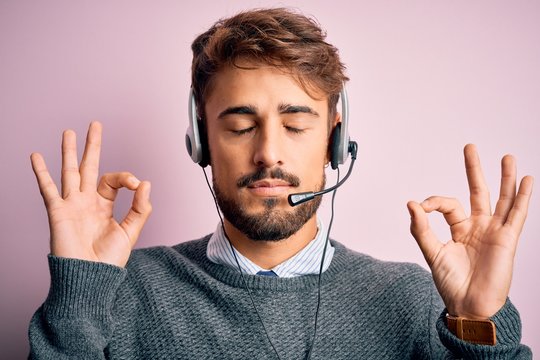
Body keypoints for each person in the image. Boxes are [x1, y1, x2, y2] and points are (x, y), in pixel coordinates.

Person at [28, 7, 533, 359]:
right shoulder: (123, 290)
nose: (268, 152)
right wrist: (80, 293)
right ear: (200, 143)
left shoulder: (415, 299)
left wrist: (479, 320)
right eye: (241, 126)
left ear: (336, 144)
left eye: (295, 125)